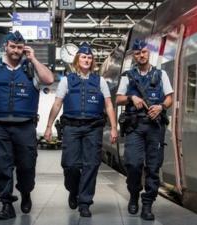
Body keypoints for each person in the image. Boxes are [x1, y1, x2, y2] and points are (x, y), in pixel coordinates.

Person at [0, 31, 54, 220]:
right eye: (13, 46)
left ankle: (25, 192)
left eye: (19, 47)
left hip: (25, 127)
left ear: (24, 48)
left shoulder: (31, 68)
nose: (16, 50)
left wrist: (33, 59)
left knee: (26, 166)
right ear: (6, 46)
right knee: (2, 166)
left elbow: (49, 80)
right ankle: (7, 203)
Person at [43, 43, 117, 217]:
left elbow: (108, 105)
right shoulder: (66, 80)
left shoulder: (100, 81)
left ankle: (85, 202)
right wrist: (48, 126)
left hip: (93, 128)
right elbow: (57, 103)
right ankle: (73, 189)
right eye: (84, 57)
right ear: (77, 60)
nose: (87, 59)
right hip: (71, 128)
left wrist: (114, 128)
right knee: (70, 165)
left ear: (93, 62)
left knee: (91, 165)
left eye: (90, 57)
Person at [116, 39, 174, 220]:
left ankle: (147, 203)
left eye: (144, 52)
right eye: (137, 53)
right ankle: (134, 194)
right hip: (135, 126)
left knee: (153, 167)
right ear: (134, 56)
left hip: (155, 127)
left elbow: (169, 98)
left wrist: (161, 107)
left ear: (149, 53)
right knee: (133, 163)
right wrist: (131, 97)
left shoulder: (161, 74)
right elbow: (118, 99)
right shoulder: (128, 76)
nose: (141, 55)